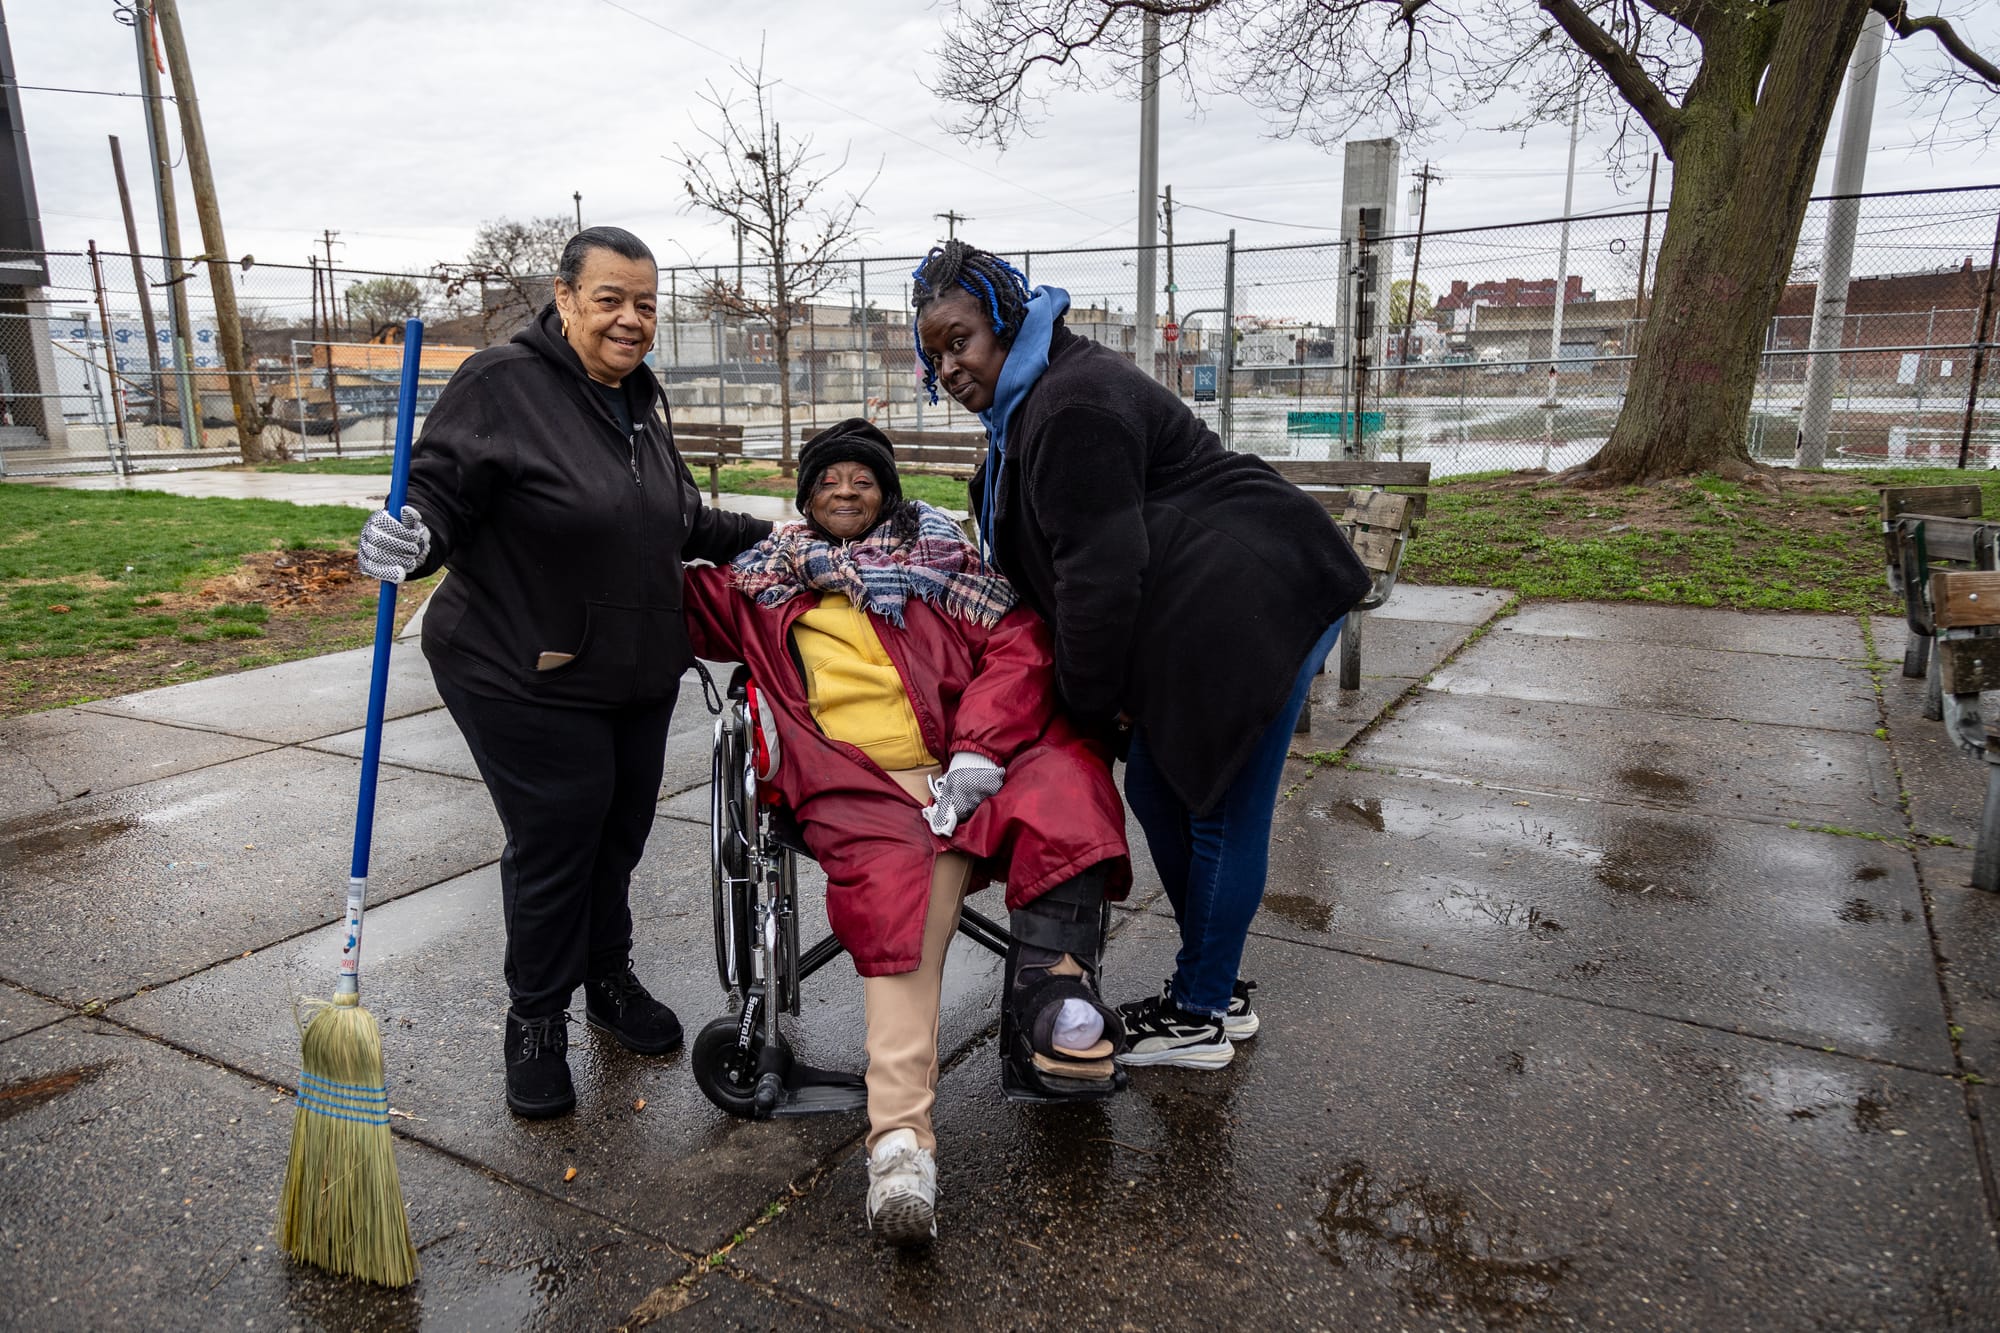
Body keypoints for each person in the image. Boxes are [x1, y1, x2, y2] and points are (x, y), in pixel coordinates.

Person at [910, 240, 1371, 1072]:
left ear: (1005, 322)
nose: (947, 366)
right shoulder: (1032, 405)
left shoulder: (1070, 405)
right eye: (933, 351)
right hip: (1203, 614)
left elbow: (1098, 577)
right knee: (1161, 793)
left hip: (1253, 602)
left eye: (960, 340)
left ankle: (1200, 1012)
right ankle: (1215, 989)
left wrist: (1091, 703)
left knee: (1218, 813)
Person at [355, 226, 771, 1119]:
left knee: (618, 831)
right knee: (558, 836)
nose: (630, 319)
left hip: (630, 667)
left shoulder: (639, 400)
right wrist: (412, 535)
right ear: (566, 297)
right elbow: (439, 492)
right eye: (610, 299)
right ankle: (537, 1019)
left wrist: (782, 537)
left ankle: (606, 977)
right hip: (518, 661)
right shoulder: (503, 383)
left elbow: (677, 519)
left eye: (646, 304)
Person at [682, 418, 1131, 1245]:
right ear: (804, 497)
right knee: (904, 895)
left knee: (1070, 777)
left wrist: (978, 751)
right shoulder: (762, 581)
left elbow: (1021, 647)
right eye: (828, 479)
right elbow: (651, 593)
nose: (845, 490)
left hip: (963, 764)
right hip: (851, 784)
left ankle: (1056, 991)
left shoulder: (944, 566)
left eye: (863, 478)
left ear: (887, 493)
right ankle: (899, 1146)